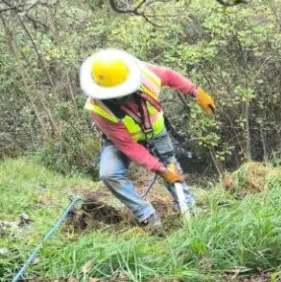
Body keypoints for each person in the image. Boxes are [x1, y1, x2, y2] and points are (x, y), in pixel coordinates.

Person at [79, 48, 215, 227]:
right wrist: (159, 169)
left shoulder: (145, 74)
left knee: (171, 167)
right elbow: (129, 147)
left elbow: (169, 76)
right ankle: (147, 216)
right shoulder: (99, 110)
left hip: (155, 131)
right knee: (109, 174)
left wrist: (195, 92)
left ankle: (189, 208)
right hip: (120, 142)